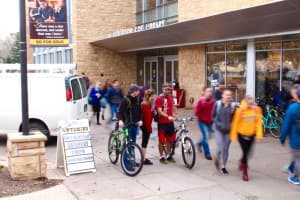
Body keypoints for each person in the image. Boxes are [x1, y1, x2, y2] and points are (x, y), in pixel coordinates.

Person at [230, 95, 263, 181]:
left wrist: (259, 134)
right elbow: (235, 123)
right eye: (249, 102)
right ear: (245, 101)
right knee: (245, 153)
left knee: (249, 154)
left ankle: (242, 161)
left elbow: (258, 123)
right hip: (241, 135)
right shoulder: (240, 110)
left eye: (252, 102)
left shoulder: (256, 110)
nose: (250, 104)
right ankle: (245, 172)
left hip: (251, 135)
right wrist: (233, 135)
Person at [212, 89, 236, 174]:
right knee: (221, 147)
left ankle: (223, 166)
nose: (228, 96)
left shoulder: (233, 106)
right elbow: (213, 116)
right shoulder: (218, 104)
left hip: (229, 130)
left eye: (230, 95)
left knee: (226, 149)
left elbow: (239, 114)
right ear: (222, 95)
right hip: (218, 129)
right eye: (226, 95)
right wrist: (219, 123)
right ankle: (217, 156)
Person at [280, 87, 300, 185]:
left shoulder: (293, 108)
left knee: (297, 158)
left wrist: (282, 138)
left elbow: (286, 125)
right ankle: (293, 174)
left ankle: (294, 176)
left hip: (296, 140)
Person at [156, 83, 178, 164]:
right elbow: (159, 111)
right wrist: (168, 116)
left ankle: (169, 155)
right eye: (166, 89)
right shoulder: (159, 98)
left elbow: (173, 107)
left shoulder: (171, 98)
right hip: (162, 123)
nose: (168, 91)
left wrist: (176, 114)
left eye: (169, 89)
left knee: (170, 140)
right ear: (163, 89)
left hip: (170, 123)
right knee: (161, 141)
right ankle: (161, 156)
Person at [194, 87, 215, 160]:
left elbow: (215, 111)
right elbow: (196, 112)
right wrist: (200, 108)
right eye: (208, 91)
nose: (210, 93)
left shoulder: (213, 101)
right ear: (204, 92)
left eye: (211, 92)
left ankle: (199, 144)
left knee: (208, 136)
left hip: (210, 122)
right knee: (206, 136)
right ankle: (207, 153)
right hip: (202, 122)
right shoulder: (201, 101)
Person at [141, 89, 156, 165]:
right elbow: (146, 119)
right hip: (145, 126)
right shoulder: (145, 105)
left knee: (145, 142)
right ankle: (143, 159)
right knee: (145, 142)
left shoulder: (149, 104)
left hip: (146, 125)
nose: (153, 97)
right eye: (152, 96)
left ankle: (143, 158)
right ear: (148, 96)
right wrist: (149, 129)